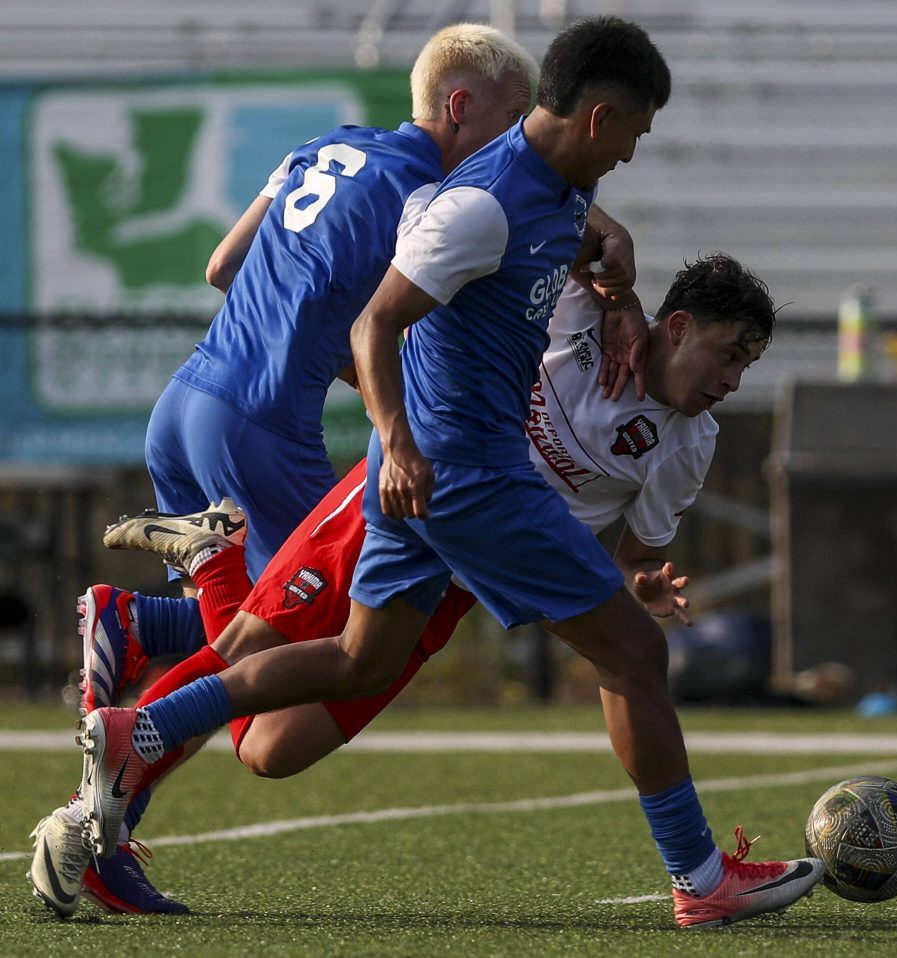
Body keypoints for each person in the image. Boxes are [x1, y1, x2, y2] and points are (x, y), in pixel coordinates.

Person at [74, 16, 824, 929]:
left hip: (429, 480)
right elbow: (375, 323)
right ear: (599, 116)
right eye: (635, 132)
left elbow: (561, 232)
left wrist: (618, 285)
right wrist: (395, 436)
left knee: (346, 672)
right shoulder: (485, 202)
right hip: (457, 470)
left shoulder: (550, 195)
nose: (633, 153)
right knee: (634, 653)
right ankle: (701, 880)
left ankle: (135, 729)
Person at [32, 250, 769, 918]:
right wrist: (616, 294)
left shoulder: (688, 443)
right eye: (728, 354)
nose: (731, 381)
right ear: (674, 327)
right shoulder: (578, 314)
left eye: (746, 367)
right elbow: (571, 223)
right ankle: (91, 830)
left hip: (452, 585)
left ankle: (183, 589)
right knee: (242, 647)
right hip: (402, 498)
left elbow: (625, 559)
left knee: (269, 750)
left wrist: (633, 590)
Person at [31, 22, 558, 918]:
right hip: (263, 429)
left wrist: (302, 328)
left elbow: (222, 263)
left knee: (249, 630)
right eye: (509, 123)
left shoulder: (328, 145)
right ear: (460, 107)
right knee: (275, 639)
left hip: (188, 401)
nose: (514, 146)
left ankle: (138, 626)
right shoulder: (435, 189)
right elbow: (399, 317)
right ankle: (92, 833)